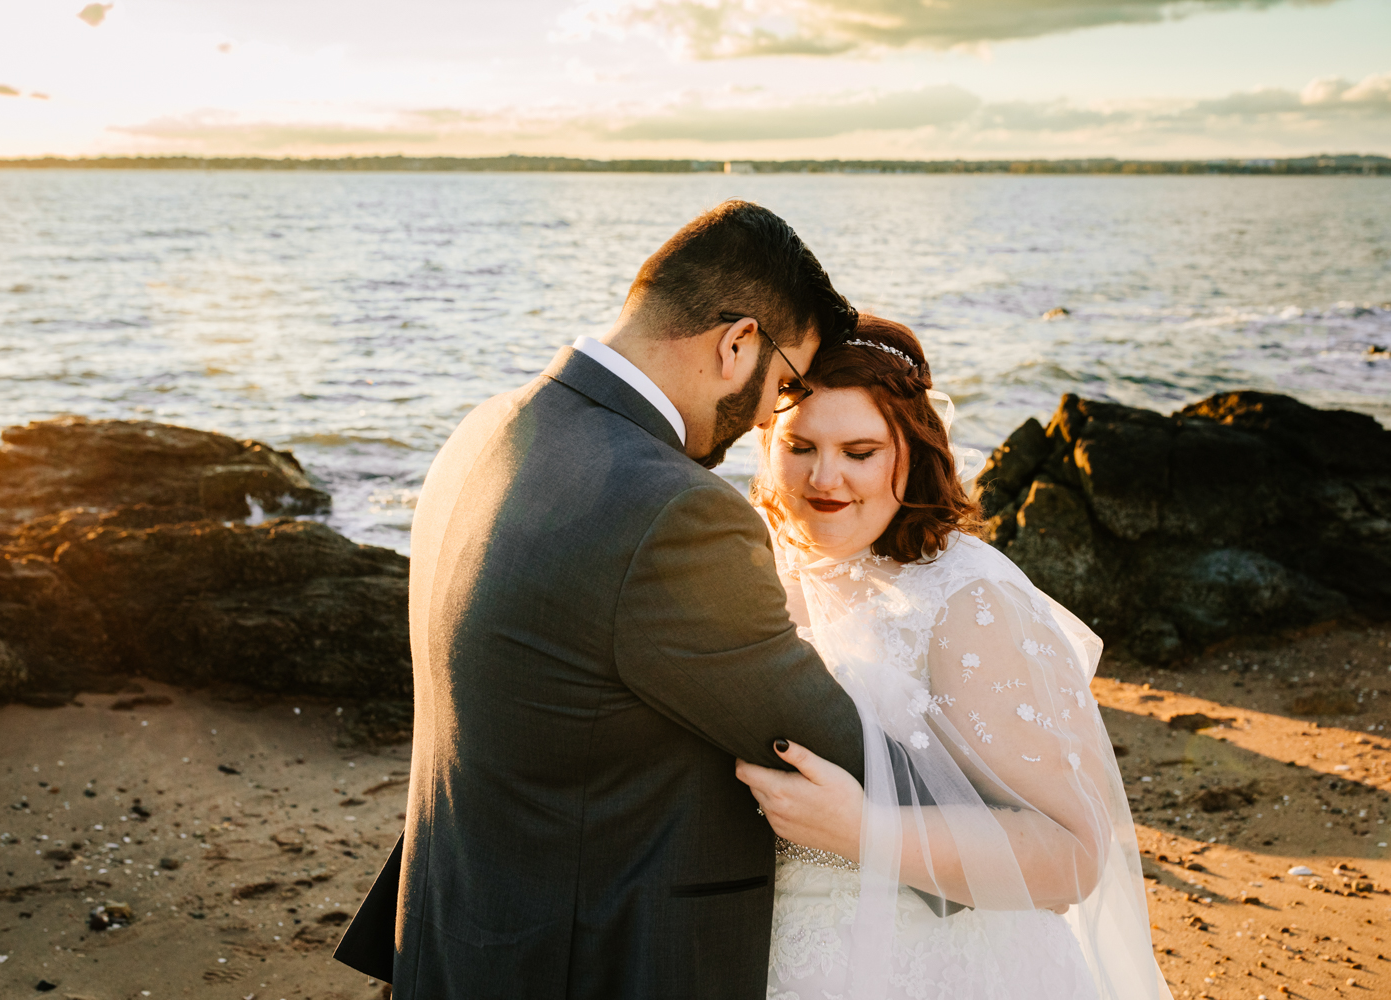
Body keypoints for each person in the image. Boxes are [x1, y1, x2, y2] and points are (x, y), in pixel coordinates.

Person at [336, 200, 872, 999]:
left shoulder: (488, 426)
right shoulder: (671, 511)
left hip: (456, 937)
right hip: (582, 965)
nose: (772, 414)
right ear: (737, 345)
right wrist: (1007, 828)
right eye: (787, 384)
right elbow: (827, 748)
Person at [736, 315, 1170, 1000]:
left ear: (912, 451)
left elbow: (1075, 855)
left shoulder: (965, 598)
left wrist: (867, 833)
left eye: (860, 451)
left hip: (940, 971)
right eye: (800, 446)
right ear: (766, 441)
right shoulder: (748, 568)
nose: (825, 478)